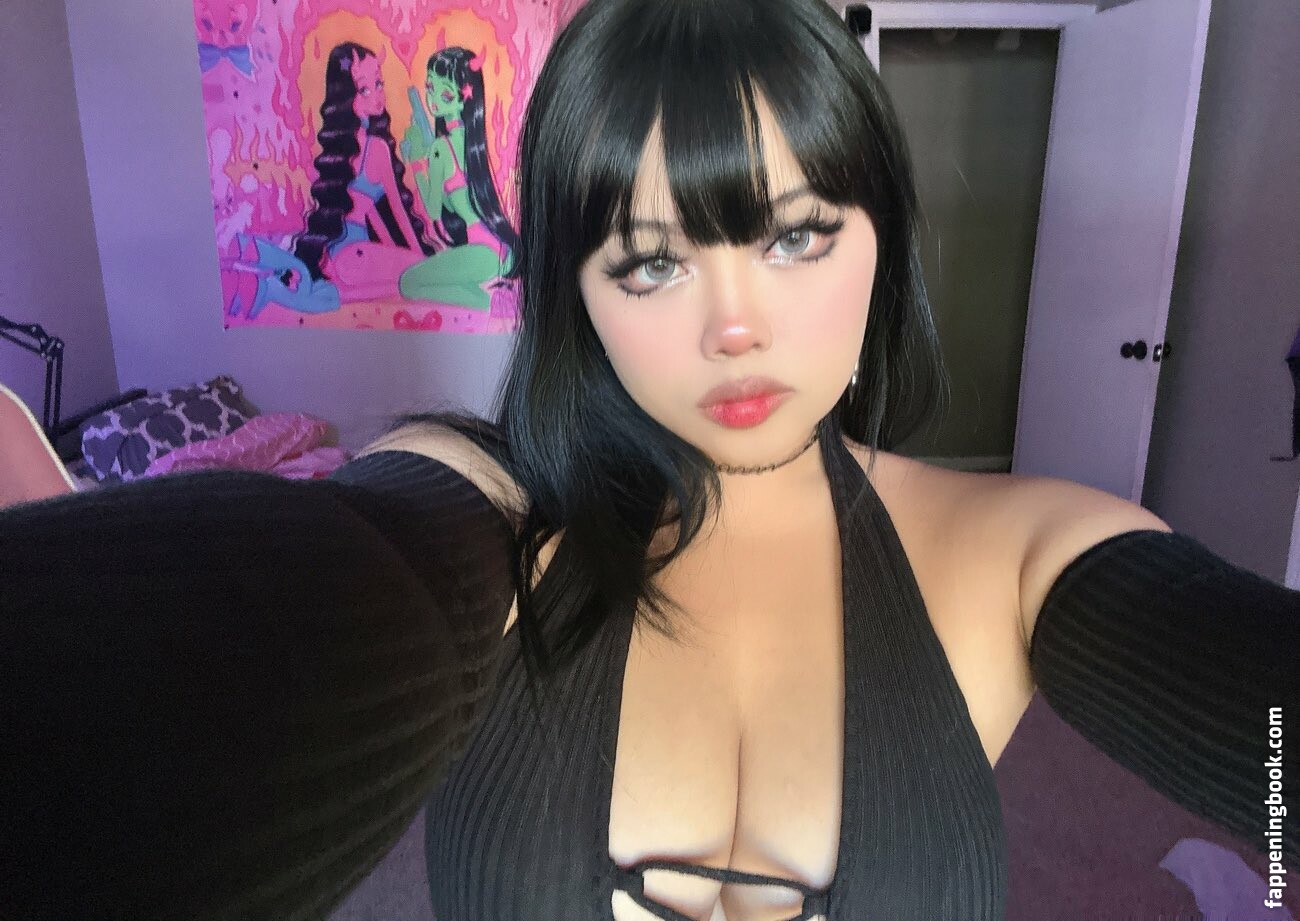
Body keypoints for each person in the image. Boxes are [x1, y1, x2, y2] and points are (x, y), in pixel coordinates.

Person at [1, 0, 1295, 919]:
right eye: (650, 261)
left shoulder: (1021, 551)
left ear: (882, 243)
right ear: (576, 295)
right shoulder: (490, 510)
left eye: (794, 237)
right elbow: (297, 621)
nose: (734, 327)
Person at [398, 46, 523, 311]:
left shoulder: (441, 148)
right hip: (497, 250)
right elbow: (451, 200)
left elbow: (433, 209)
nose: (433, 99)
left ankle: (489, 303)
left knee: (408, 283)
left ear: (463, 98)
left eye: (444, 93)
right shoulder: (470, 142)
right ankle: (491, 299)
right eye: (430, 87)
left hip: (483, 252)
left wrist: (417, 162)